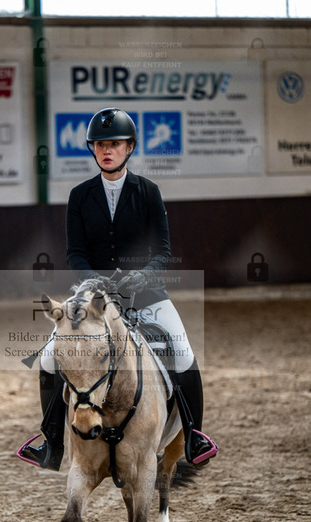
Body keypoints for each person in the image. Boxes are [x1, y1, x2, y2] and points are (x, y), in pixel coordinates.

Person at [18, 107, 218, 471]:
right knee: (48, 357)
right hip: (94, 298)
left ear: (129, 147)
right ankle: (51, 441)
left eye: (114, 144)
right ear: (92, 149)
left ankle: (194, 437)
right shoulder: (80, 196)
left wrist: (144, 275)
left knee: (182, 350)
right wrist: (94, 280)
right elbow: (75, 253)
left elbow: (163, 252)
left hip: (147, 293)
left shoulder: (149, 192)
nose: (106, 150)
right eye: (100, 145)